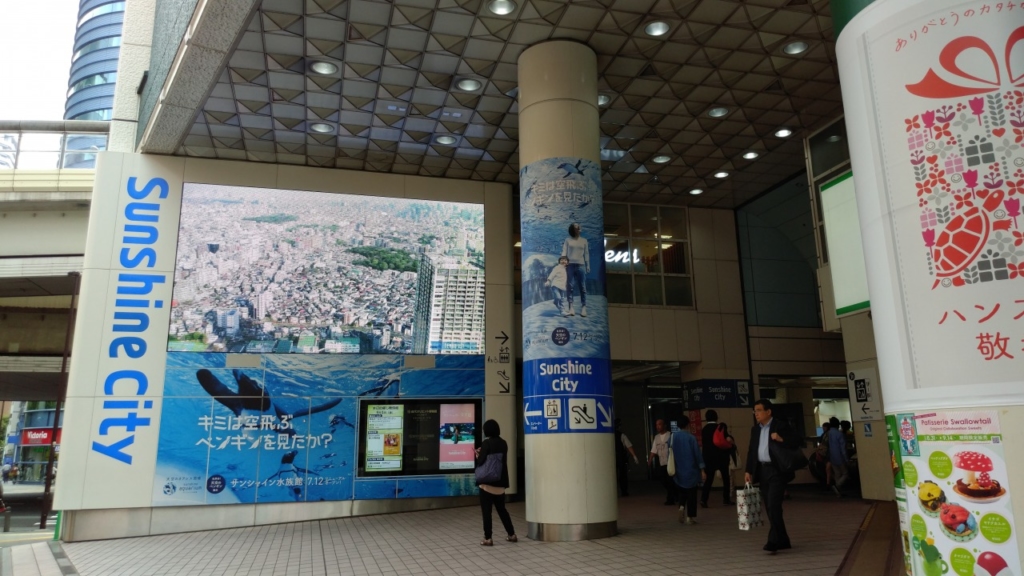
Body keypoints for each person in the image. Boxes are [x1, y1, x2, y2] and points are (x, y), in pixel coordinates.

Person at [744, 399, 800, 554]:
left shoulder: (780, 426)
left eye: (759, 410)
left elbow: (797, 440)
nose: (756, 414)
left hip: (777, 471)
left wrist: (782, 439)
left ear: (768, 412)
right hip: (762, 471)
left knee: (773, 505)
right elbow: (751, 451)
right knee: (771, 508)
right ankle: (783, 539)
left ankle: (773, 541)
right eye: (754, 411)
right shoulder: (755, 430)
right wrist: (748, 471)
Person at [475, 419, 516, 546]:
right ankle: (512, 534)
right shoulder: (504, 443)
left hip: (487, 484)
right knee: (502, 510)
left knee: (487, 512)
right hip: (500, 483)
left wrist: (478, 454)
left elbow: (481, 462)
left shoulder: (486, 443)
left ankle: (488, 538)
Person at [669, 415, 706, 524]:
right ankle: (690, 517)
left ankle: (681, 506)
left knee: (682, 491)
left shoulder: (672, 437)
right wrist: (702, 469)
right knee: (692, 494)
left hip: (678, 469)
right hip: (691, 470)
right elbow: (697, 455)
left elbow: (669, 452)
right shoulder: (691, 438)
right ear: (687, 425)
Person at [700, 410, 734, 508]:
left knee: (708, 480)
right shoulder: (720, 427)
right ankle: (726, 499)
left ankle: (703, 499)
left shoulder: (705, 429)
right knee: (725, 478)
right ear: (716, 417)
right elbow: (727, 439)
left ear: (706, 418)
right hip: (722, 456)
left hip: (708, 458)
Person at [560, 223, 590, 317]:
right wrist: (563, 264)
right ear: (573, 230)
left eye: (579, 227)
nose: (579, 228)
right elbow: (564, 252)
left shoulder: (584, 240)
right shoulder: (568, 240)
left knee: (582, 287)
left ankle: (584, 307)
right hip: (570, 265)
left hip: (581, 265)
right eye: (576, 227)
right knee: (570, 286)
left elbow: (586, 253)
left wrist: (588, 265)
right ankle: (571, 306)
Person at [648, 419, 675, 505]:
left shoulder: (670, 435)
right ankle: (674, 493)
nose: (658, 426)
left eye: (659, 424)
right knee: (663, 480)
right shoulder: (656, 437)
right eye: (656, 425)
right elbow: (653, 450)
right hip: (662, 462)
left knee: (670, 480)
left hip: (670, 462)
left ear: (664, 425)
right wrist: (650, 459)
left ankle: (670, 499)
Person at [614, 419, 639, 497]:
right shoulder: (622, 435)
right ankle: (624, 492)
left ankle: (613, 492)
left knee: (612, 476)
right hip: (621, 457)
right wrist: (634, 456)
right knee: (623, 475)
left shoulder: (609, 435)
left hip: (612, 458)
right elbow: (629, 446)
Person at [827, 417, 849, 497]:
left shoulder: (829, 433)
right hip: (840, 457)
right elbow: (843, 448)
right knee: (845, 473)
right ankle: (837, 486)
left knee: (837, 474)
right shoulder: (839, 434)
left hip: (832, 457)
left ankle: (838, 492)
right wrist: (846, 459)